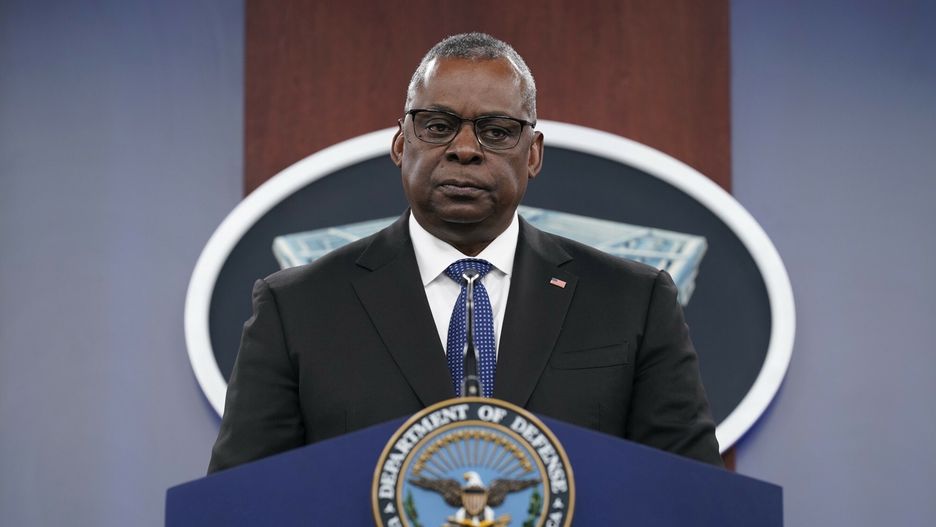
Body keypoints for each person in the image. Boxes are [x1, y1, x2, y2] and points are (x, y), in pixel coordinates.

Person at [208, 32, 721, 473]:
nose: (466, 149)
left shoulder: (633, 301)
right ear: (400, 144)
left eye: (496, 131)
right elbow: (237, 503)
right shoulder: (297, 308)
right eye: (438, 125)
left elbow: (696, 497)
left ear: (533, 154)